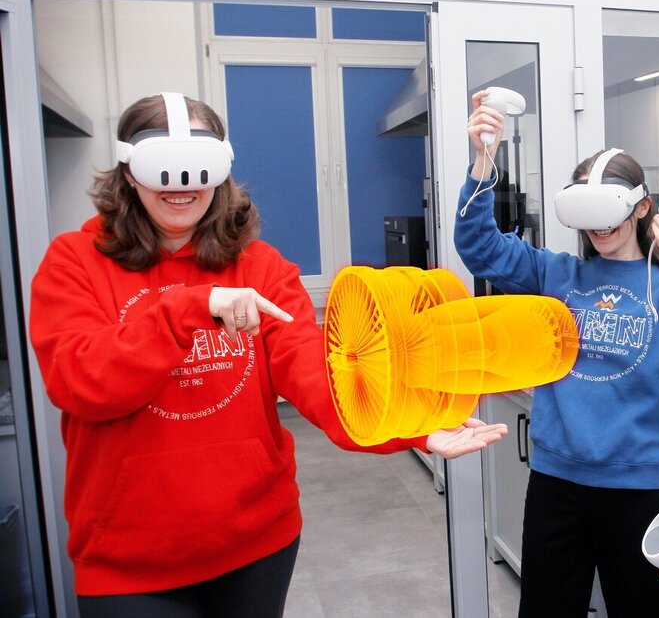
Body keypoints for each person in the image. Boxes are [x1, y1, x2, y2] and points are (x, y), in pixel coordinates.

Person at [28, 92, 508, 618]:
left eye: (198, 168)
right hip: (129, 560)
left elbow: (312, 375)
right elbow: (81, 381)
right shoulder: (75, 262)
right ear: (129, 170)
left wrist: (409, 423)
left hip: (256, 545)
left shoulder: (260, 268)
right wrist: (189, 309)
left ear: (222, 170)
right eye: (164, 168)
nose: (182, 186)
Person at [457, 92, 659, 616]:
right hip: (555, 486)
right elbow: (480, 248)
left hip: (636, 493)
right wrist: (483, 163)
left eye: (609, 211)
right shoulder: (557, 275)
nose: (598, 227)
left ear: (641, 208)